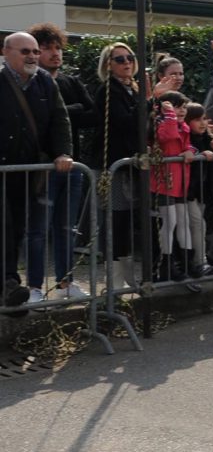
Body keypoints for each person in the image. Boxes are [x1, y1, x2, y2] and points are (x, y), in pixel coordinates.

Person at [0, 32, 73, 312]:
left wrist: (62, 152)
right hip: (2, 167)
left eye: (34, 51)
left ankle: (8, 288)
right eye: (25, 51)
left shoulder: (44, 81)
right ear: (6, 52)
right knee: (4, 224)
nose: (32, 56)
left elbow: (59, 119)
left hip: (27, 171)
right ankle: (9, 282)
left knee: (18, 226)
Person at [27, 22, 92, 300]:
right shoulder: (30, 83)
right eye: (47, 48)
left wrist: (62, 111)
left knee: (67, 228)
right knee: (38, 230)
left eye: (58, 48)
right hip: (42, 167)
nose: (55, 54)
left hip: (72, 164)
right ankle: (34, 287)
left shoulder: (70, 81)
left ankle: (66, 284)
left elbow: (91, 112)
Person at [90, 42, 145, 287]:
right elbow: (124, 122)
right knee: (115, 219)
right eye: (120, 59)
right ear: (108, 65)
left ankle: (127, 274)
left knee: (128, 220)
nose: (127, 63)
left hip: (130, 165)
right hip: (112, 164)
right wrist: (147, 101)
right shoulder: (107, 90)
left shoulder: (133, 88)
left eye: (129, 57)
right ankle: (114, 279)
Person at [148, 99, 193, 282]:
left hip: (180, 181)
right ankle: (165, 265)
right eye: (177, 107)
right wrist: (170, 116)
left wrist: (190, 150)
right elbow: (167, 136)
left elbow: (186, 144)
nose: (181, 111)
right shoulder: (162, 123)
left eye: (184, 107)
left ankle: (187, 263)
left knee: (183, 221)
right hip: (164, 181)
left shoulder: (184, 126)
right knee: (169, 222)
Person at [181, 102, 213, 278]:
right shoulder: (186, 139)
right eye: (197, 119)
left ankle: (198, 261)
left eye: (204, 118)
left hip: (202, 191)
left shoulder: (207, 139)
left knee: (199, 224)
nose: (203, 123)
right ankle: (199, 262)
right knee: (198, 224)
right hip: (188, 191)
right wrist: (201, 155)